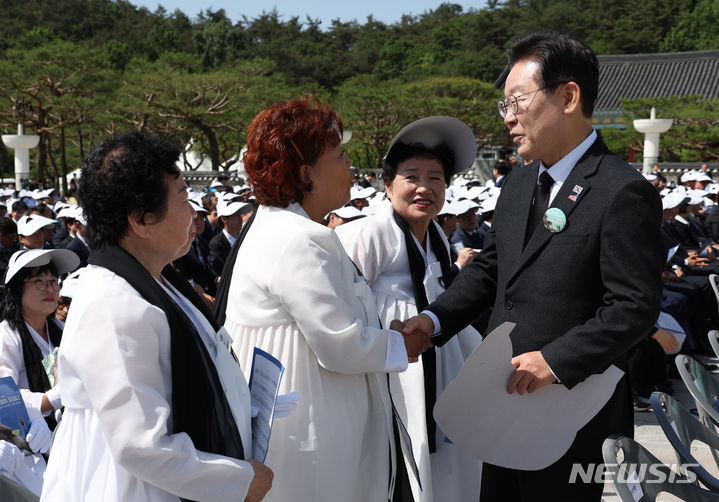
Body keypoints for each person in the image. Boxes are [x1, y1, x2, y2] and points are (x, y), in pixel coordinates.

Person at [401, 29, 664, 501]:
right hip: (504, 396)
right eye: (505, 105)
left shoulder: (621, 190)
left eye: (518, 101)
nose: (509, 117)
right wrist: (433, 320)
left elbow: (634, 306)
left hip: (572, 405)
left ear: (568, 96)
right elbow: (489, 271)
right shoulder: (518, 186)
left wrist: (556, 361)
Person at [40, 131, 272, 502]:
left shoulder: (157, 278)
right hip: (133, 488)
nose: (194, 213)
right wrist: (239, 481)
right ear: (141, 220)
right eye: (181, 196)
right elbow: (141, 446)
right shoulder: (115, 303)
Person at [218, 97, 431, 502]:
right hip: (312, 424)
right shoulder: (301, 239)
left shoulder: (279, 226)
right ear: (305, 173)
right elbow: (339, 344)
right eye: (338, 155)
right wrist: (402, 345)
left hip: (295, 418)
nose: (349, 165)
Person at [337, 116, 483, 502]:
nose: (424, 188)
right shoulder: (369, 232)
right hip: (392, 370)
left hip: (436, 361)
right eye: (411, 176)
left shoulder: (436, 233)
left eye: (435, 178)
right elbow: (342, 302)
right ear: (388, 185)